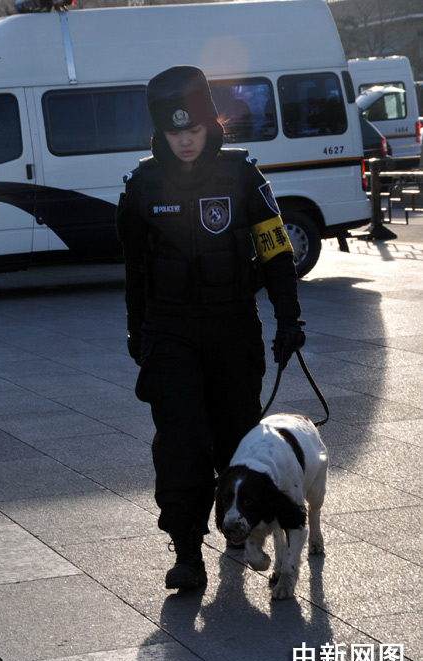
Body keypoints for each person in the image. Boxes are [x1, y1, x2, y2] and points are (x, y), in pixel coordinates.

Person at [116, 65, 305, 590]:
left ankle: (240, 527)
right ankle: (186, 552)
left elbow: (276, 254)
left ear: (210, 124)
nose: (185, 141)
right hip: (170, 331)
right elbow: (135, 271)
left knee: (235, 439)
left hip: (232, 329)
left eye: (193, 130)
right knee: (180, 443)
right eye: (174, 131)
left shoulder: (244, 177)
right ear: (161, 131)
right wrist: (137, 333)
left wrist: (289, 319)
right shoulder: (142, 186)